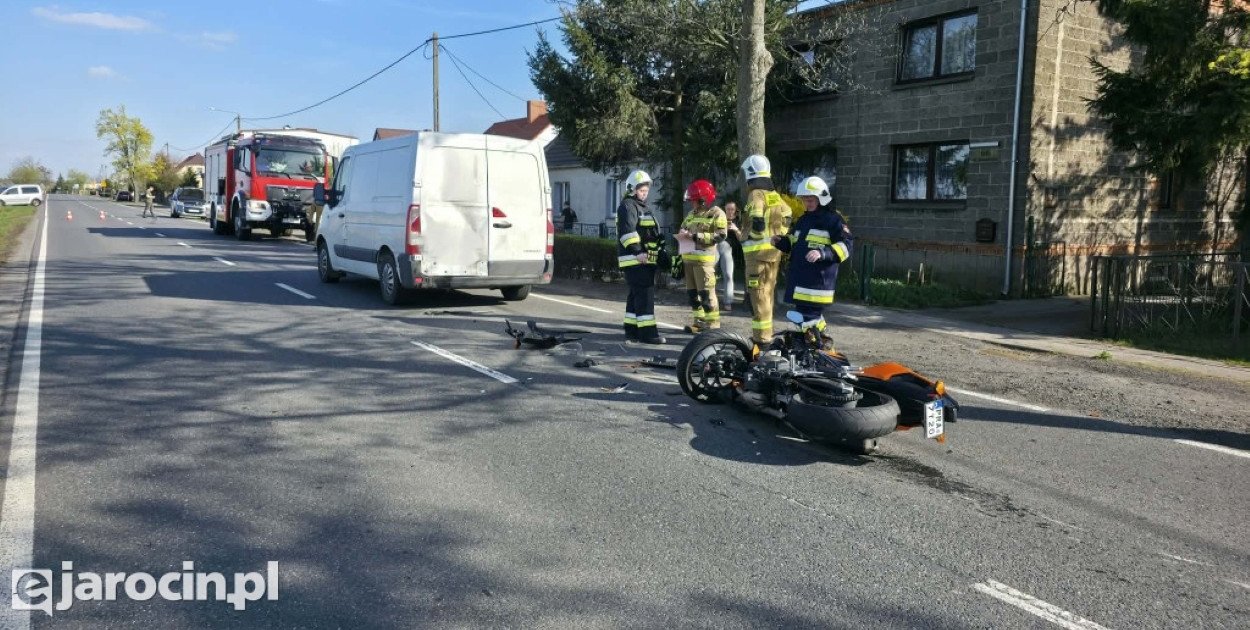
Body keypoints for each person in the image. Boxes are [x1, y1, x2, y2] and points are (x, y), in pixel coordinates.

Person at [772, 176, 852, 349]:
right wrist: (781, 242)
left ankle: (821, 349)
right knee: (806, 320)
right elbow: (793, 242)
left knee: (809, 319)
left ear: (821, 198)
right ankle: (819, 348)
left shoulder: (833, 220)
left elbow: (846, 246)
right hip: (801, 282)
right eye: (804, 200)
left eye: (810, 200)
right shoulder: (804, 220)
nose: (806, 204)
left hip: (817, 284)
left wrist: (823, 253)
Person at [740, 155, 793, 345]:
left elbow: (757, 220)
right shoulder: (774, 195)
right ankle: (766, 336)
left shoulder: (756, 194)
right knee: (767, 295)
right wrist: (779, 235)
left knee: (758, 296)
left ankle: (761, 340)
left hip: (757, 257)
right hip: (773, 255)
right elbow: (788, 213)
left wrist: (755, 236)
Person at [616, 170, 665, 345]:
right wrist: (638, 252)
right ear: (632, 189)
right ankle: (648, 334)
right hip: (636, 260)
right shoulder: (628, 206)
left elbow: (650, 233)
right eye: (642, 190)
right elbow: (628, 233)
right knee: (645, 297)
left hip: (643, 260)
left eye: (646, 190)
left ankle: (632, 330)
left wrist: (660, 250)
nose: (645, 193)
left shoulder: (641, 207)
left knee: (635, 297)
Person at [679, 179, 727, 333]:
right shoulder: (691, 214)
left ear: (703, 199)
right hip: (689, 261)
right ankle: (699, 322)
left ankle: (712, 326)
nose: (691, 203)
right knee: (693, 295)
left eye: (693, 200)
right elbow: (683, 227)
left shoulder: (716, 213)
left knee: (706, 295)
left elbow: (720, 235)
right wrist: (682, 233)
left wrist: (695, 236)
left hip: (704, 262)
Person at [716, 201, 742, 311]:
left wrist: (735, 229)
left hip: (729, 249)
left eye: (732, 209)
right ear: (725, 210)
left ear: (735, 210)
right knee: (709, 273)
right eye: (728, 209)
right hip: (716, 246)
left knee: (728, 275)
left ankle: (728, 301)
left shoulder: (739, 221)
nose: (730, 212)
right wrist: (722, 229)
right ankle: (709, 299)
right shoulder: (720, 219)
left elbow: (742, 238)